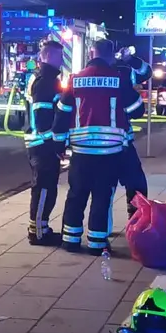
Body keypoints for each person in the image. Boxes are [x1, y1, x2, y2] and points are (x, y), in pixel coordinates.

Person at [57, 38, 133, 255]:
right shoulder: (118, 79)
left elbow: (62, 113)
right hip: (109, 150)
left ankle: (70, 240)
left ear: (91, 54)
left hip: (81, 150)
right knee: (102, 196)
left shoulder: (76, 79)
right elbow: (136, 109)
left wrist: (58, 144)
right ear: (111, 56)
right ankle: (97, 244)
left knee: (76, 194)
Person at [23, 39, 69, 246]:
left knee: (48, 187)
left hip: (42, 143)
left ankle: (42, 228)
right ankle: (37, 233)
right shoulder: (45, 81)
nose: (62, 60)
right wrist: (56, 143)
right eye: (59, 56)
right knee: (43, 188)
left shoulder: (45, 78)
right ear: (48, 56)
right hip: (42, 144)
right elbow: (43, 119)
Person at [115, 45, 151, 217]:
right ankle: (137, 218)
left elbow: (146, 72)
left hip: (90, 146)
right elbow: (136, 110)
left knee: (100, 190)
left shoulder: (83, 76)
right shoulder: (122, 73)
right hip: (121, 141)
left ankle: (99, 228)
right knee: (136, 182)